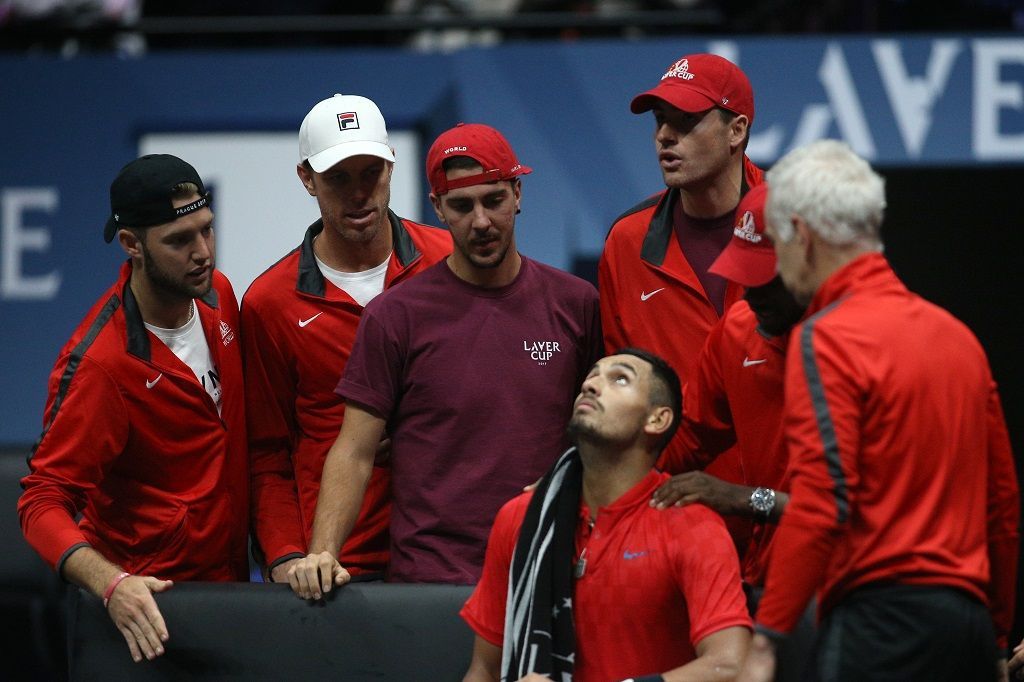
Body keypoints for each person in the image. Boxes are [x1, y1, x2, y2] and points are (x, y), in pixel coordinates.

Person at [738, 140, 1020, 682]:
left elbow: (822, 499)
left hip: (881, 630)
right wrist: (997, 638)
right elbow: (1002, 507)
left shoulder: (827, 339)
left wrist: (769, 639)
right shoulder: (959, 339)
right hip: (969, 628)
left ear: (802, 233)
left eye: (776, 242)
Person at [286, 122, 602, 592]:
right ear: (436, 209)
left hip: (548, 567)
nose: (480, 222)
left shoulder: (576, 303)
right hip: (432, 580)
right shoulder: (394, 316)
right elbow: (353, 450)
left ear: (517, 193)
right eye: (461, 205)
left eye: (493, 200)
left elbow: (601, 438)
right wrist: (324, 551)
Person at [18, 154, 249, 663]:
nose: (203, 253)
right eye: (179, 240)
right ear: (132, 245)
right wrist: (112, 584)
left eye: (206, 230)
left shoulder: (218, 297)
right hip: (149, 611)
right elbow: (41, 501)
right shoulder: (101, 366)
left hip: (234, 590)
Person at [241, 94, 452, 583]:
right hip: (338, 566)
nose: (359, 195)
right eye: (338, 178)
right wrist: (285, 556)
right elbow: (266, 452)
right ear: (306, 178)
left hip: (446, 548)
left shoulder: (449, 262)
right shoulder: (270, 303)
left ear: (392, 166)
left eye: (370, 174)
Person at [461, 349, 751, 681]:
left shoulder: (692, 525)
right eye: (592, 376)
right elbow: (484, 668)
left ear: (657, 419)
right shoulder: (523, 518)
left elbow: (732, 665)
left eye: (620, 379)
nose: (592, 385)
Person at [598, 52, 764, 548]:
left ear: (736, 131)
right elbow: (619, 393)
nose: (665, 136)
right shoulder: (627, 244)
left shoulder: (796, 226)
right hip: (672, 526)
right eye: (660, 121)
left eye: (686, 121)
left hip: (786, 521)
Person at [650, 183, 804, 588]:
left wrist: (745, 498)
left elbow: (857, 514)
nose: (749, 292)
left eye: (764, 277)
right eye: (743, 271)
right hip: (769, 583)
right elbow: (684, 440)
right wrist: (584, 476)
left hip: (861, 594)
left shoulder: (873, 348)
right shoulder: (737, 331)